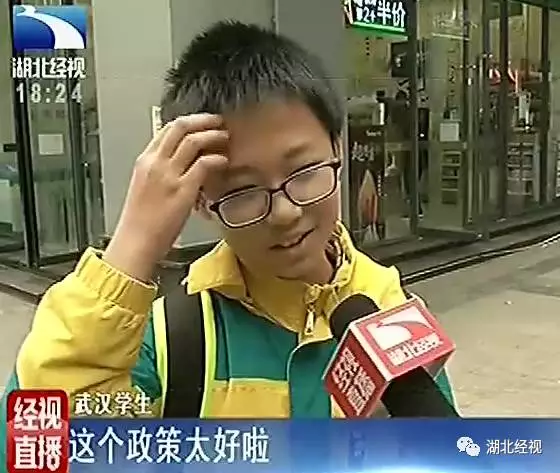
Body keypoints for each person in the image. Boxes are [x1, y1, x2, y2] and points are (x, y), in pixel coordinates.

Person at [0, 21, 456, 448]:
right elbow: (37, 445)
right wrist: (131, 246)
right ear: (200, 201)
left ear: (338, 149)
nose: (285, 212)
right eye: (242, 191)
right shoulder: (166, 340)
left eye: (304, 170)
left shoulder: (392, 313)